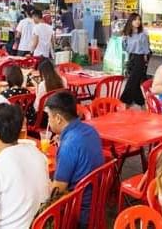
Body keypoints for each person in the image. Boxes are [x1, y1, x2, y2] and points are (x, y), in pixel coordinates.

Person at [46, 90, 104, 226]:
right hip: (96, 198)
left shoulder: (69, 144)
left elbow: (57, 190)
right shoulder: (90, 130)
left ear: (58, 118)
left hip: (77, 207)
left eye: (48, 116)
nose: (48, 121)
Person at [120, 12, 150, 107]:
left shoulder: (143, 34)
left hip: (140, 58)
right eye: (135, 19)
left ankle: (123, 102)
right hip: (131, 57)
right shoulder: (128, 34)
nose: (138, 21)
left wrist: (145, 61)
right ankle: (142, 104)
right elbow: (124, 48)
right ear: (130, 21)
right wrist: (123, 39)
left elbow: (146, 49)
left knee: (131, 81)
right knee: (136, 84)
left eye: (139, 19)